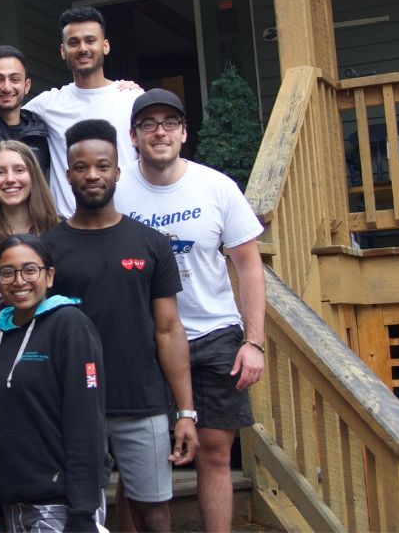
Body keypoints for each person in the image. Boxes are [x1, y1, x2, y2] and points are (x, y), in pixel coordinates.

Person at [115, 88, 266, 533]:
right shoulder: (117, 193)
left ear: (183, 132)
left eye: (169, 123)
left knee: (216, 451)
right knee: (138, 458)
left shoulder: (216, 187)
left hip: (214, 334)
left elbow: (250, 267)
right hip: (144, 339)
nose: (159, 132)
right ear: (134, 136)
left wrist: (253, 342)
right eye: (148, 124)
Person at [41, 119, 198, 533]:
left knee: (155, 513)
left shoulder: (150, 244)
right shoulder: (48, 249)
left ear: (117, 170)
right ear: (68, 173)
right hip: (69, 404)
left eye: (102, 165)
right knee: (74, 512)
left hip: (140, 401)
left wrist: (185, 411)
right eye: (81, 167)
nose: (92, 175)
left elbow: (168, 329)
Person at [0, 234, 105, 532]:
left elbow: (86, 420)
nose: (19, 280)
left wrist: (83, 511)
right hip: (8, 505)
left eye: (30, 270)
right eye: (7, 272)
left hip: (61, 505)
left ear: (49, 275)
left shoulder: (70, 326)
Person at [0, 7, 141, 218]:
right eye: (73, 42)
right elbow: (7, 112)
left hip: (125, 218)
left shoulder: (132, 99)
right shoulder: (49, 104)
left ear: (105, 46)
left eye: (90, 40)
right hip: (67, 226)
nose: (82, 48)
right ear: (63, 51)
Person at [0, 141, 58, 322]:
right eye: (0, 172)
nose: (10, 179)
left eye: (19, 170)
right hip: (2, 343)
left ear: (33, 175)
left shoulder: (59, 232)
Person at [0, 45, 50, 208]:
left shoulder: (42, 132)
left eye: (14, 79)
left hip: (35, 230)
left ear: (26, 85)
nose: (6, 87)